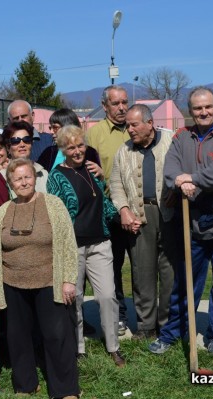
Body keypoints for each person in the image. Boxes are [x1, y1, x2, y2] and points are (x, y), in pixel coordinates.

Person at [149, 86, 213, 356]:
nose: (203, 112)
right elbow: (171, 169)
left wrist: (191, 179)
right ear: (191, 111)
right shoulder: (182, 136)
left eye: (208, 107)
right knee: (185, 281)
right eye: (197, 108)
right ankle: (173, 332)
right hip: (192, 218)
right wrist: (178, 180)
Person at [0, 158, 80, 399]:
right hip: (13, 283)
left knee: (57, 335)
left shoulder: (54, 204)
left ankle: (65, 389)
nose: (24, 182)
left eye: (27, 177)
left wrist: (68, 279)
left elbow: (69, 243)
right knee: (18, 337)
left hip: (49, 281)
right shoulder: (4, 210)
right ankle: (25, 385)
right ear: (10, 183)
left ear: (35, 178)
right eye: (18, 179)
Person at [46, 126, 124, 367]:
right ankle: (78, 348)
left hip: (100, 242)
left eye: (80, 145)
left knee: (107, 296)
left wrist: (123, 216)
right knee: (76, 298)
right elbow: (56, 214)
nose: (77, 151)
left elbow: (104, 203)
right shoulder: (56, 176)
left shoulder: (93, 169)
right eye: (71, 147)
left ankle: (113, 346)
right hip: (73, 247)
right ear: (63, 150)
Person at [109, 104, 175, 340]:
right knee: (142, 273)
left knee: (169, 273)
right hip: (139, 216)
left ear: (150, 123)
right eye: (127, 125)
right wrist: (124, 210)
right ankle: (146, 326)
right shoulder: (124, 151)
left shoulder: (171, 141)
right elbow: (115, 185)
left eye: (134, 124)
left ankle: (168, 325)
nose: (130, 129)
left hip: (169, 215)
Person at [85, 85, 131, 335]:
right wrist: (102, 177)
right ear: (105, 106)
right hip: (109, 212)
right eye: (116, 103)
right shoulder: (95, 135)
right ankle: (119, 314)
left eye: (125, 102)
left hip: (137, 210)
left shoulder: (135, 127)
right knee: (113, 267)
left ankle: (148, 318)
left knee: (142, 267)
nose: (122, 107)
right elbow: (86, 173)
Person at [0, 121, 49, 210]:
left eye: (26, 140)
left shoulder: (44, 174)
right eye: (15, 141)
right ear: (8, 147)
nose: (22, 145)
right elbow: (0, 213)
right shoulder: (1, 177)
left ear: (31, 143)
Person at [37, 108, 101, 173]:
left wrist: (101, 174)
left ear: (68, 127)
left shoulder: (90, 153)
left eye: (55, 128)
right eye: (50, 128)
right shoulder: (48, 153)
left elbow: (96, 180)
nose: (51, 132)